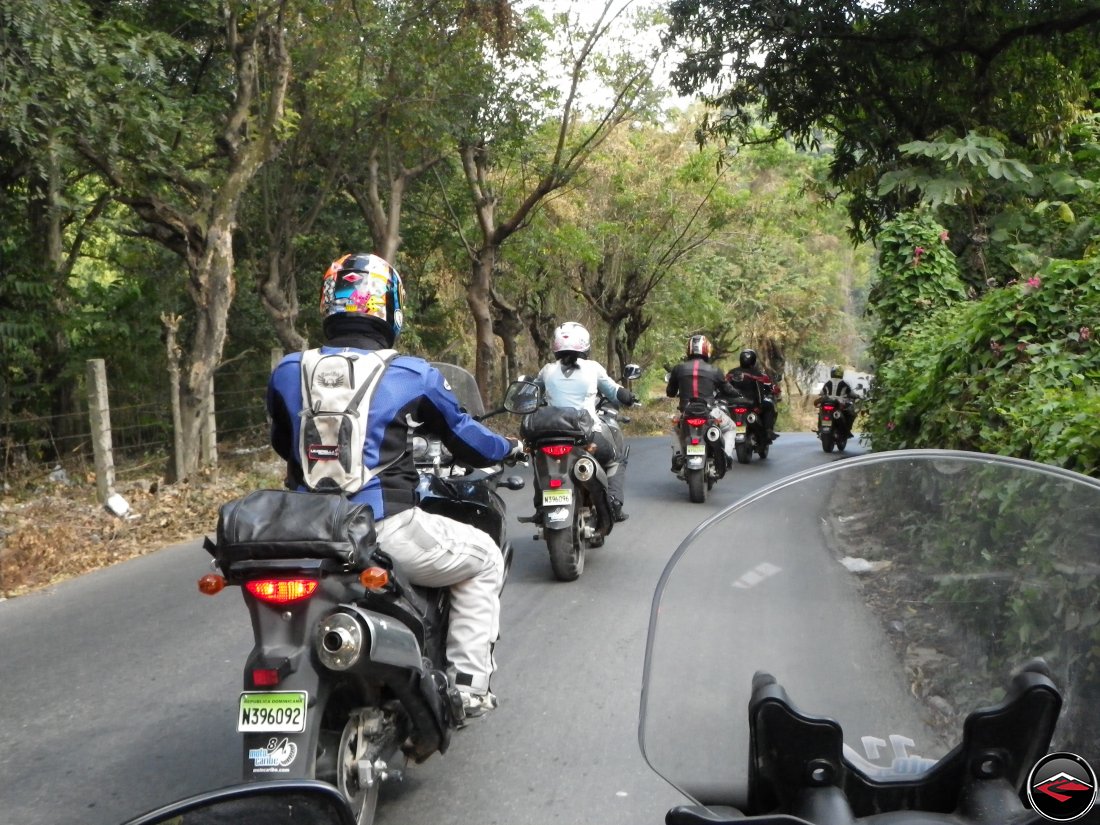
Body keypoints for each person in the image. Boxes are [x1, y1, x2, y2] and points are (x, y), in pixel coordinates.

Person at [267, 252, 524, 719]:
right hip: (385, 529)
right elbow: (466, 438)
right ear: (390, 307)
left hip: (305, 532)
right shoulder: (410, 373)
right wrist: (505, 448)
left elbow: (284, 445)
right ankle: (468, 687)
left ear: (328, 302)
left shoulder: (288, 370)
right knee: (484, 559)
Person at [532, 321, 637, 522]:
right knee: (616, 458)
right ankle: (614, 502)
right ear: (585, 346)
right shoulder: (592, 368)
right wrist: (628, 396)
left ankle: (540, 506)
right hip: (586, 434)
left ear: (556, 347)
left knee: (540, 461)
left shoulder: (547, 371)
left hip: (551, 434)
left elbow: (532, 394)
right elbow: (614, 392)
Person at [665, 334, 738, 469]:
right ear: (707, 350)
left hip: (686, 412)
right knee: (731, 427)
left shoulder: (678, 369)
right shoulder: (715, 370)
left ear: (689, 350)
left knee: (676, 429)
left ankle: (678, 455)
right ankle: (727, 456)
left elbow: (670, 392)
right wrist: (738, 394)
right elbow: (728, 390)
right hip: (710, 412)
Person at [726, 349, 780, 441]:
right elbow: (763, 389)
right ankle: (768, 431)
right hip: (752, 403)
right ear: (754, 360)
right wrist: (760, 404)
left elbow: (724, 386)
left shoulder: (731, 373)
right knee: (769, 406)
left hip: (732, 404)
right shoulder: (758, 374)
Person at [814, 364, 857, 433]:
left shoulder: (828, 382)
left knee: (821, 412)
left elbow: (821, 392)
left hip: (827, 401)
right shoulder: (844, 383)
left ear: (832, 373)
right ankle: (847, 431)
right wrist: (857, 396)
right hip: (840, 402)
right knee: (851, 414)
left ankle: (820, 429)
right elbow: (852, 394)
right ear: (841, 374)